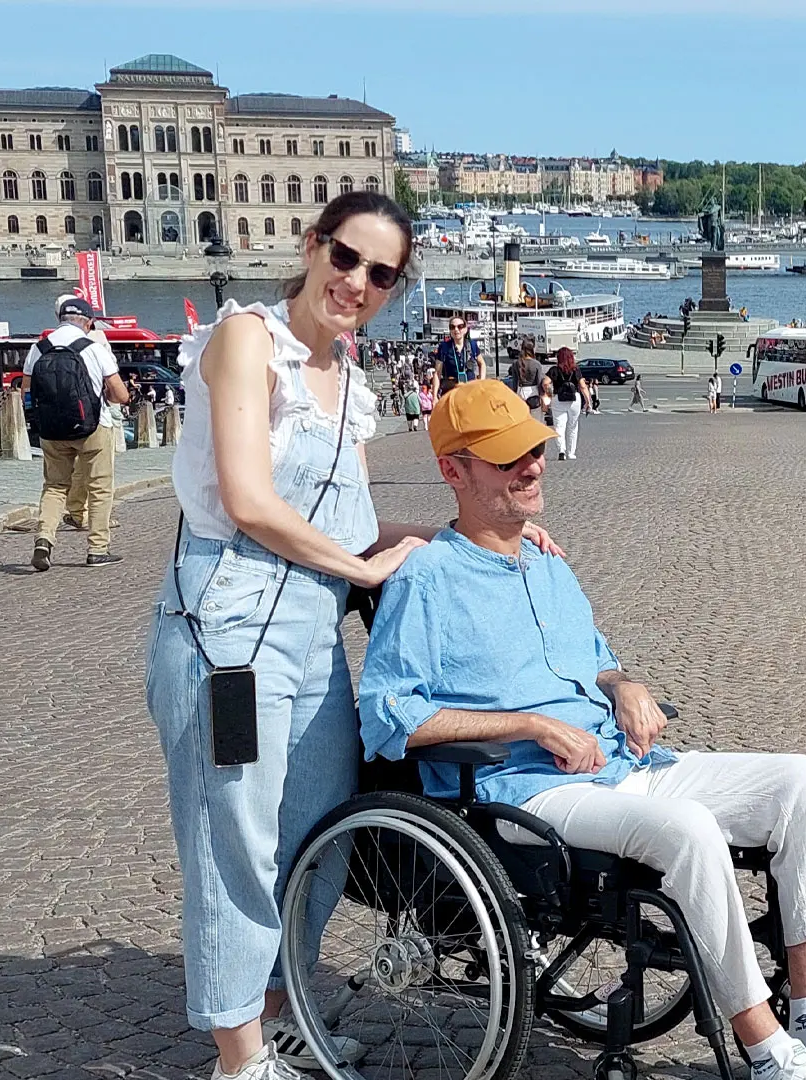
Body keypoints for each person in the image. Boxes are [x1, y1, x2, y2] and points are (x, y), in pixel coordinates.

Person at [356, 379, 806, 1080]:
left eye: (533, 449)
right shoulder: (429, 579)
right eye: (507, 458)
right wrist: (531, 725)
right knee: (687, 828)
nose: (532, 465)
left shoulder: (546, 564)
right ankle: (767, 1049)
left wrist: (625, 685)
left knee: (803, 782)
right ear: (455, 470)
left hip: (624, 765)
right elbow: (390, 717)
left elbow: (594, 659)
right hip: (521, 792)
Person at [143, 192, 564, 1080]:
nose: (357, 282)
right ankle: (237, 1056)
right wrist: (366, 572)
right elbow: (250, 502)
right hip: (228, 630)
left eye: (381, 273)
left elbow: (356, 525)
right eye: (346, 258)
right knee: (236, 842)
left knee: (321, 837)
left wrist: (493, 532)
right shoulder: (246, 342)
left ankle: (275, 1006)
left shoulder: (348, 379)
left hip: (310, 630)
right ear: (312, 246)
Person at [27, 296, 129, 569]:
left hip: (51, 430)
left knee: (54, 486)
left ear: (59, 319)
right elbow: (120, 394)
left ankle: (44, 539)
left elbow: (27, 388)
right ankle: (98, 549)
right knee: (99, 487)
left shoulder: (39, 348)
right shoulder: (94, 348)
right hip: (92, 426)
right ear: (89, 322)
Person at [543, 346, 588, 460]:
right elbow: (582, 386)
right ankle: (571, 453)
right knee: (573, 426)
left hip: (559, 398)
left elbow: (545, 383)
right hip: (574, 399)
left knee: (559, 426)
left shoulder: (554, 370)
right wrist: (588, 401)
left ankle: (561, 450)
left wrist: (550, 393)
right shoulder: (576, 370)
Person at [436, 317, 481, 393]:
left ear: (465, 329)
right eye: (452, 327)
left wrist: (481, 381)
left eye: (460, 326)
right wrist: (434, 396)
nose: (456, 329)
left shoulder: (472, 344)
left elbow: (482, 363)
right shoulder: (444, 347)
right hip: (451, 391)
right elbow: (437, 373)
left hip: (470, 390)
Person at [511, 342, 546, 416]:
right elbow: (539, 382)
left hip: (520, 392)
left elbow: (514, 382)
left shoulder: (515, 363)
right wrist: (543, 396)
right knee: (535, 420)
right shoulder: (536, 364)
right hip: (533, 393)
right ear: (532, 349)